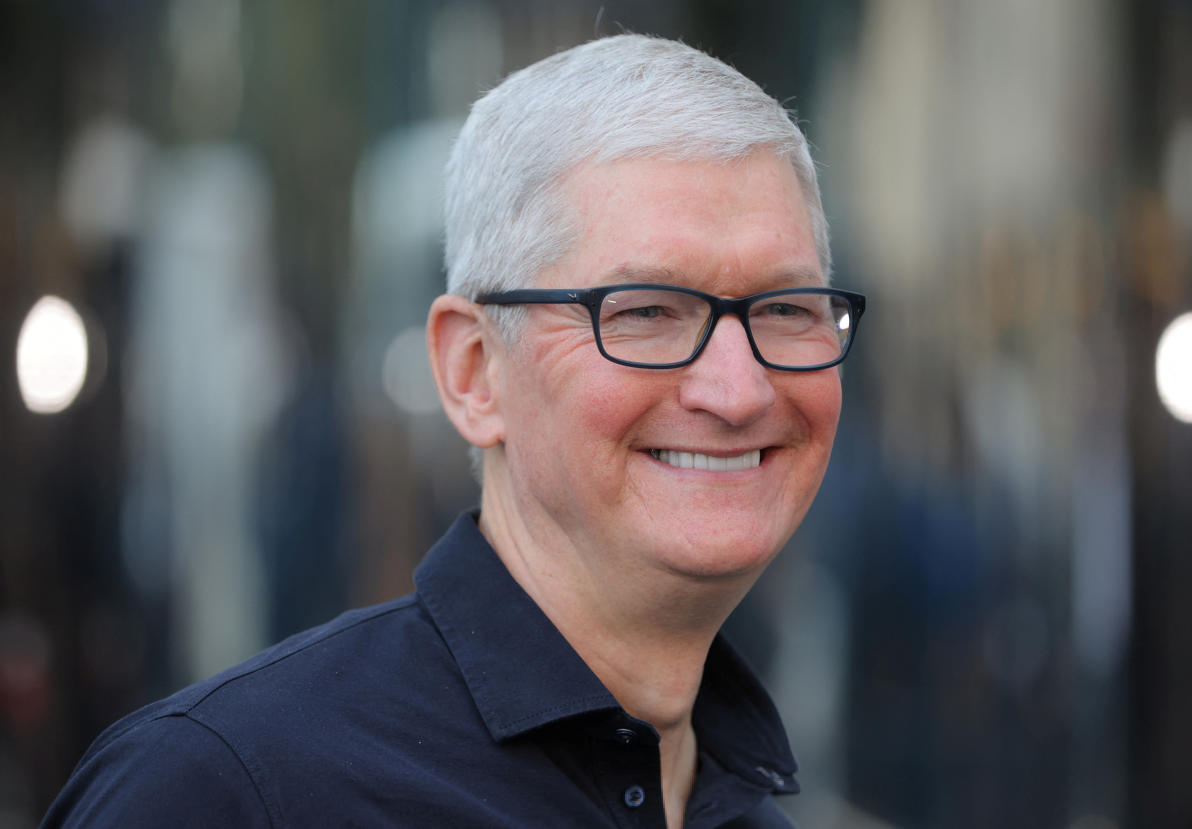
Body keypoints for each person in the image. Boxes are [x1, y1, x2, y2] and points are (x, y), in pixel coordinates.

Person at [43, 34, 865, 828]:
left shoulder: (750, 813)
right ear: (474, 371)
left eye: (786, 309)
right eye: (647, 311)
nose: (737, 388)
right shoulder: (225, 794)